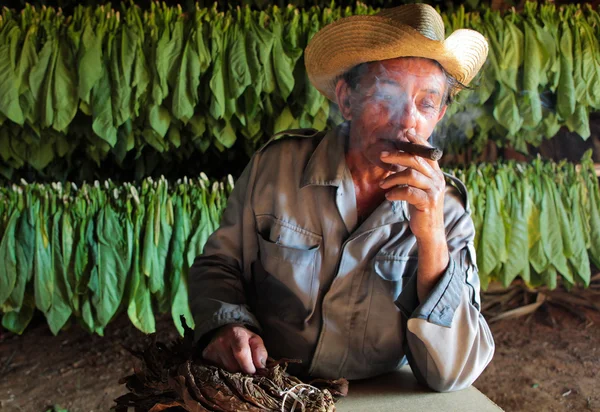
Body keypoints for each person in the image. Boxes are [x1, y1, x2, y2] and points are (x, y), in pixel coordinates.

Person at [189, 3, 495, 392]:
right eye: (388, 96)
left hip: (379, 396)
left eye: (426, 103)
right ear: (347, 99)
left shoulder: (446, 208)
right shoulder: (277, 168)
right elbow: (218, 265)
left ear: (440, 114)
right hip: (270, 387)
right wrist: (228, 323)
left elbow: (451, 373)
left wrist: (432, 238)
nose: (407, 121)